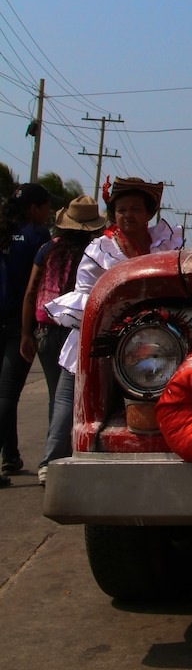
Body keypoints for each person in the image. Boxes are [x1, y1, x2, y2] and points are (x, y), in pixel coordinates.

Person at [43, 177, 183, 476]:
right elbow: (85, 293)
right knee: (71, 403)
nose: (128, 215)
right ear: (113, 214)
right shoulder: (99, 249)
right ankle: (51, 465)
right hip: (98, 339)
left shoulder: (167, 245)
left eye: (135, 209)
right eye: (122, 210)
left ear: (149, 213)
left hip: (153, 344)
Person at [19, 195, 107, 484]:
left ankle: (51, 459)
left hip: (45, 328)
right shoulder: (96, 252)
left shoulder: (48, 249)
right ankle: (59, 456)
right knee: (70, 397)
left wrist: (26, 333)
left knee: (59, 397)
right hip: (77, 329)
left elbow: (31, 291)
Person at [0, 183, 52, 486]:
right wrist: (28, 332)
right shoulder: (38, 237)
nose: (48, 212)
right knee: (7, 395)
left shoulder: (3, 233)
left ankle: (10, 455)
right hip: (18, 326)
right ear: (34, 208)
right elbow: (36, 288)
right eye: (46, 207)